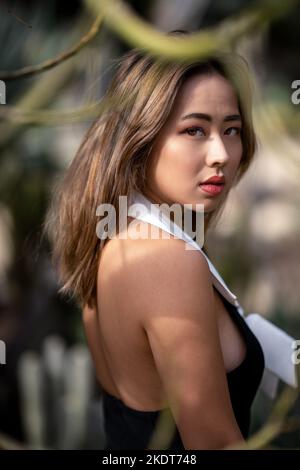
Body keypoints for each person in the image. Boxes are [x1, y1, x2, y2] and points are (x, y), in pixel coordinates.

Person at [43, 30, 297, 450]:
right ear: (140, 140)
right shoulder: (167, 260)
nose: (221, 154)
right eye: (195, 130)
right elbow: (215, 444)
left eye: (231, 130)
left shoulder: (110, 238)